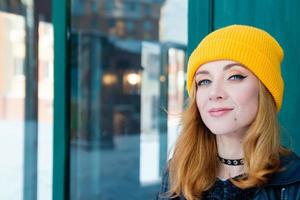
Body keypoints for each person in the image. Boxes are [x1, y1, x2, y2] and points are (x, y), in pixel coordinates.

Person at [157, 24, 300, 200]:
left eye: (234, 77)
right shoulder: (177, 172)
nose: (214, 93)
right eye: (204, 81)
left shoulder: (294, 182)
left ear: (265, 91)